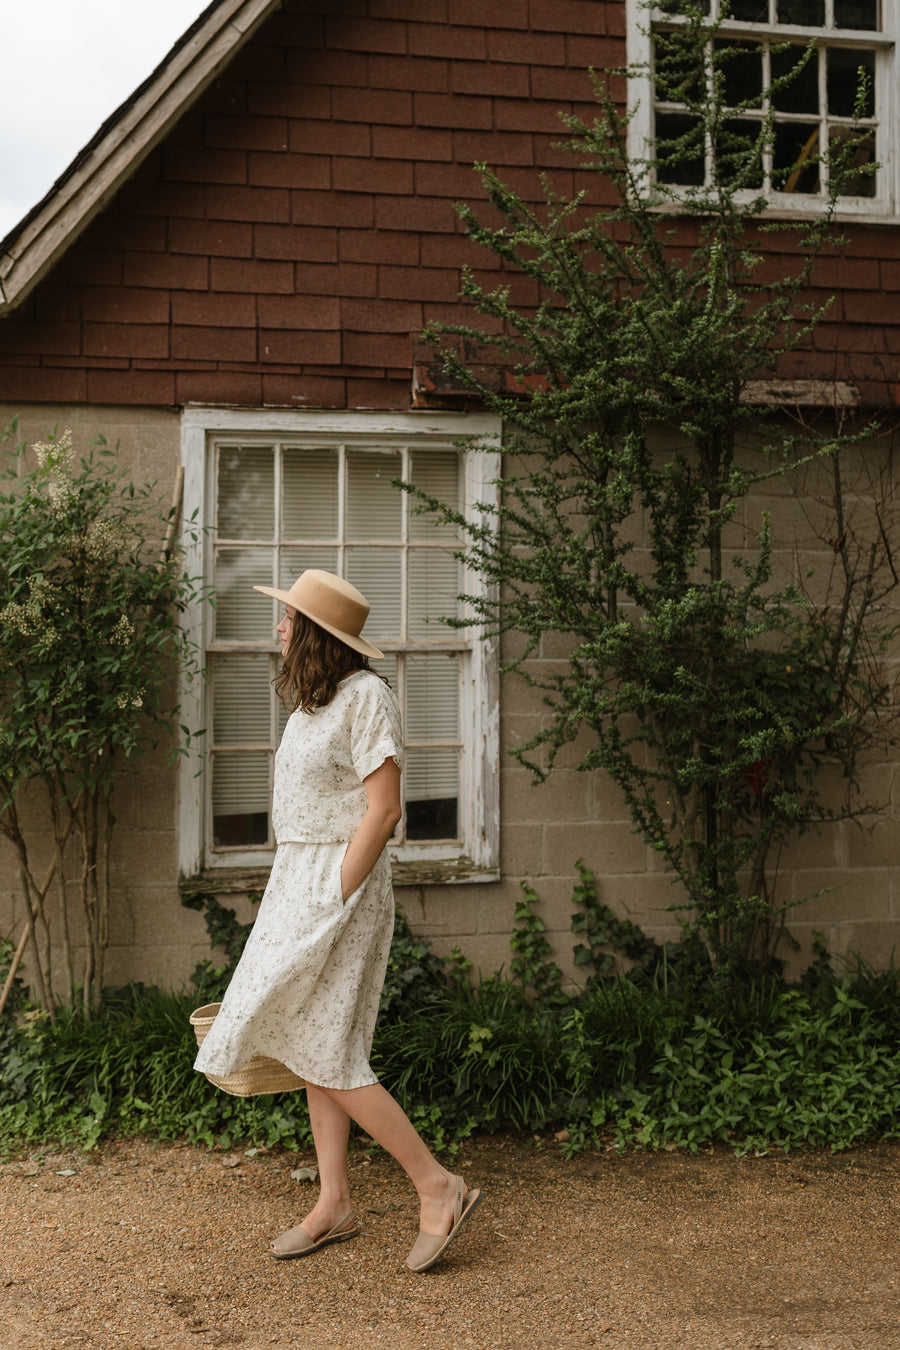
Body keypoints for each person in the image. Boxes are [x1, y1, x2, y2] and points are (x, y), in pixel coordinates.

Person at [193, 569, 481, 1272]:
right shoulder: (310, 707)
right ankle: (335, 1203)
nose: (280, 628)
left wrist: (335, 894)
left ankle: (436, 1185)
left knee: (330, 1048)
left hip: (340, 886)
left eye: (289, 619)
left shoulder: (366, 698)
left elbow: (384, 812)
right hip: (298, 881)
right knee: (311, 1041)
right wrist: (299, 891)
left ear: (316, 634)